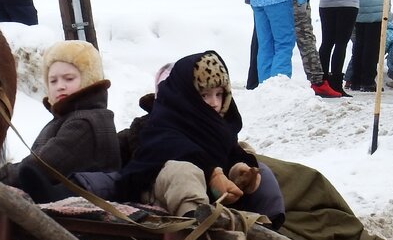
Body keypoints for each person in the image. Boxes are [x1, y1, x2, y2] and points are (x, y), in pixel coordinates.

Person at [118, 51, 283, 223]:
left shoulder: (218, 126)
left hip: (210, 197)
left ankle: (270, 224)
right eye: (205, 95)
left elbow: (231, 151)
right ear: (186, 95)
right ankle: (197, 225)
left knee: (261, 170)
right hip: (159, 195)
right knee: (183, 171)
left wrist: (238, 170)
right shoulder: (162, 122)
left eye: (219, 94)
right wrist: (212, 173)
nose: (214, 102)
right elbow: (179, 149)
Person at [0, 40, 120, 202]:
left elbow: (45, 164)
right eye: (53, 81)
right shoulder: (67, 118)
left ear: (89, 80)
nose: (60, 86)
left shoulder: (85, 122)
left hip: (86, 195)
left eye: (68, 79)